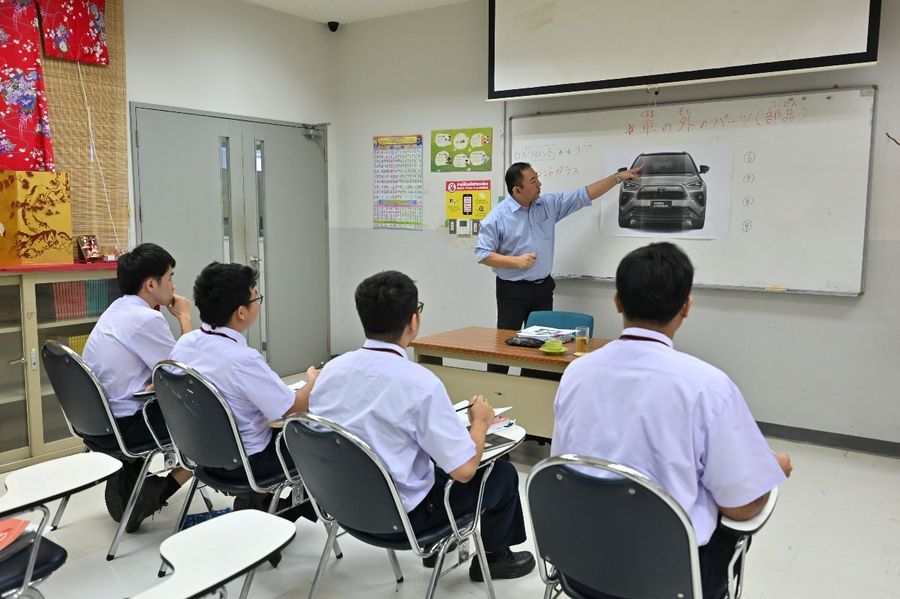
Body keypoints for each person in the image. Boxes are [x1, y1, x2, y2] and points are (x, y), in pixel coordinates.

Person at [551, 242, 792, 599]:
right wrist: (767, 474)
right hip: (669, 579)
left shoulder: (576, 372)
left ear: (617, 302)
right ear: (687, 307)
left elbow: (564, 465)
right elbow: (741, 508)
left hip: (579, 564)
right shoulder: (708, 386)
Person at [309, 270, 535, 582]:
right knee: (502, 474)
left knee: (423, 453)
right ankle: (494, 559)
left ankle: (443, 547)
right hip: (405, 521)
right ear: (413, 321)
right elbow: (465, 471)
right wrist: (480, 423)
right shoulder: (421, 384)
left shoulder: (332, 370)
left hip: (340, 505)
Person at [168, 261, 318, 522]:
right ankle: (280, 513)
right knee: (325, 441)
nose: (258, 303)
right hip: (248, 464)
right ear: (241, 312)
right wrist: (314, 381)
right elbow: (292, 408)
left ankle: (261, 502)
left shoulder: (185, 344)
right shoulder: (242, 360)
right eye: (256, 298)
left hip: (200, 455)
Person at [475, 162, 642, 373]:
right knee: (504, 345)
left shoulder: (548, 204)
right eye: (533, 181)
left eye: (537, 177)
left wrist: (617, 178)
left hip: (543, 288)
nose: (539, 184)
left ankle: (534, 386)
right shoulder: (498, 217)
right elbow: (483, 254)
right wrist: (515, 261)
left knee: (544, 345)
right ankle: (494, 386)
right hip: (512, 290)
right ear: (517, 190)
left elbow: (584, 194)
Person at [82, 242, 194, 532]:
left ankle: (131, 479)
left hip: (97, 423)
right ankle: (155, 492)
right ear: (151, 284)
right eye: (169, 277)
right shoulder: (146, 319)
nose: (173, 285)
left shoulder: (117, 309)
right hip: (128, 426)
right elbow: (185, 372)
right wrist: (184, 317)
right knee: (214, 419)